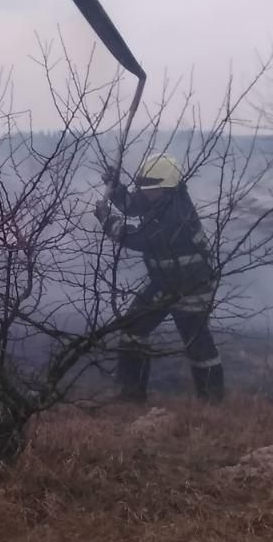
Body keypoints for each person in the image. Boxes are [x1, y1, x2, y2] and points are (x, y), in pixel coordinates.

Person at [94, 153, 225, 403]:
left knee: (197, 343)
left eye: (151, 188)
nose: (146, 192)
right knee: (132, 328)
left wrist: (108, 221)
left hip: (192, 285)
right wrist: (116, 187)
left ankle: (212, 404)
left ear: (167, 187)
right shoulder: (162, 197)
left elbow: (140, 239)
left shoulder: (176, 216)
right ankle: (130, 397)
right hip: (165, 282)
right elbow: (134, 205)